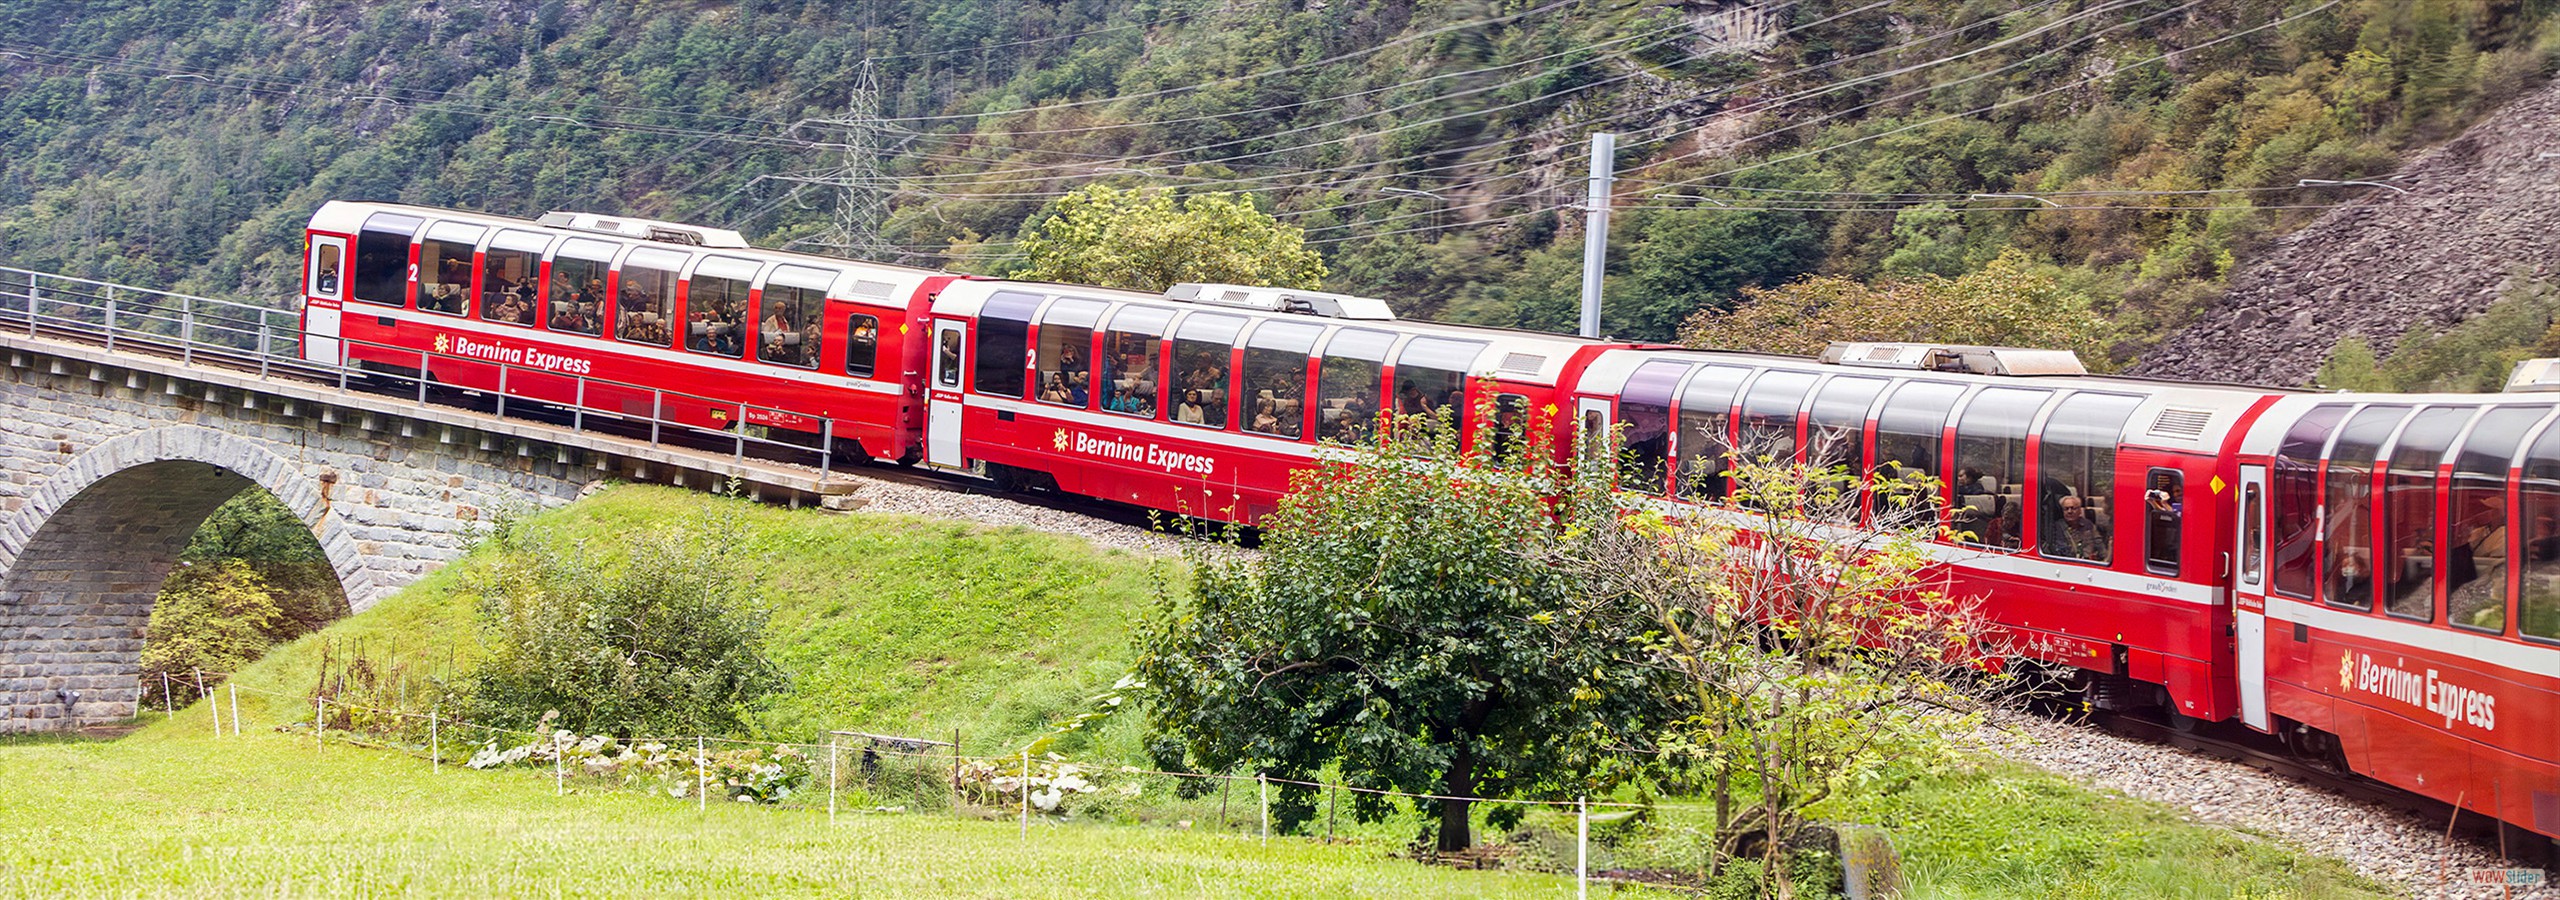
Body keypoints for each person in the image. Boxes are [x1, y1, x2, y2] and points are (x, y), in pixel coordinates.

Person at [2045, 495, 2109, 562]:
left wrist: (2105, 559)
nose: (2069, 511)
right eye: (2066, 509)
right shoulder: (2056, 528)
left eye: (2073, 508)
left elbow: (2099, 545)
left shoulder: (2088, 525)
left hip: (2088, 564)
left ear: (2080, 510)